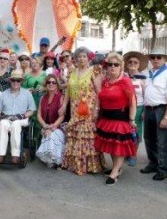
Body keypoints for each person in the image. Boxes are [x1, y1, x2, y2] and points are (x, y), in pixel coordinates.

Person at [58, 47, 105, 176]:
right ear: (76, 59)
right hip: (74, 108)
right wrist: (64, 105)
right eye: (79, 57)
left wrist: (96, 109)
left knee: (87, 135)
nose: (81, 59)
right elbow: (67, 91)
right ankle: (75, 164)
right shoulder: (72, 71)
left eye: (84, 56)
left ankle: (90, 165)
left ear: (88, 58)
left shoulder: (94, 71)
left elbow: (99, 92)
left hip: (88, 109)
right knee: (75, 133)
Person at [94, 52, 137, 185]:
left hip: (120, 119)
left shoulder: (125, 81)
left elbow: (132, 101)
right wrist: (96, 112)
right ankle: (116, 168)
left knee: (118, 147)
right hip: (106, 118)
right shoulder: (105, 82)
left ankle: (115, 173)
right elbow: (98, 96)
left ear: (121, 67)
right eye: (110, 64)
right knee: (112, 145)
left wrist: (131, 119)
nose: (112, 67)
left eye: (116, 65)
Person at [141, 48, 167, 181]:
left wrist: (166, 117)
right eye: (153, 57)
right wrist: (145, 110)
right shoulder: (150, 73)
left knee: (163, 141)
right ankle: (153, 163)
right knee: (149, 138)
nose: (156, 59)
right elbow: (148, 93)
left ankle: (163, 169)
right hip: (149, 109)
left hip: (162, 110)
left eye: (159, 57)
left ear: (165, 59)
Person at [0, 69, 36, 163]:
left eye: (18, 80)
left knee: (16, 124)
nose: (15, 82)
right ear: (10, 81)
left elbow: (32, 110)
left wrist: (22, 116)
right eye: (13, 80)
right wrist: (2, 115)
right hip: (6, 117)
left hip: (21, 118)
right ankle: (1, 154)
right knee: (3, 124)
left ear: (21, 81)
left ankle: (15, 155)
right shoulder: (4, 94)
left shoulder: (27, 93)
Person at [123, 51, 148, 166]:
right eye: (130, 62)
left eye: (135, 62)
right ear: (127, 64)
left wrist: (144, 111)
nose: (132, 63)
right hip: (124, 108)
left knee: (136, 132)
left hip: (138, 108)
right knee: (125, 132)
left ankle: (133, 155)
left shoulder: (143, 78)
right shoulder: (123, 76)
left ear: (139, 65)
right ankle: (126, 152)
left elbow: (146, 96)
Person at [35, 75, 65, 168]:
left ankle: (54, 159)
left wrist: (53, 126)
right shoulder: (43, 98)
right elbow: (38, 115)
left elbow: (62, 116)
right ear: (46, 84)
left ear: (57, 84)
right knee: (47, 133)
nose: (51, 84)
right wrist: (44, 125)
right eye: (49, 82)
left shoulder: (60, 97)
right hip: (45, 126)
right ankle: (51, 158)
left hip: (58, 126)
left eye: (53, 82)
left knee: (52, 134)